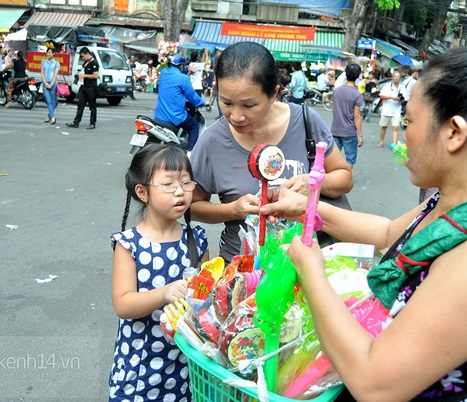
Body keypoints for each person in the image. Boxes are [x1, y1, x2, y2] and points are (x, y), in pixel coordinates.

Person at [260, 46, 467, 401]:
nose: (404, 135)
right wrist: (307, 209)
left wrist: (311, 269)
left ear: (454, 132)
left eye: (409, 122)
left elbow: (375, 383)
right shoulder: (456, 200)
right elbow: (390, 234)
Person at [189, 41, 352, 261]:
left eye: (249, 105)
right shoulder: (212, 141)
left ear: (274, 93)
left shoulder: (305, 122)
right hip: (244, 269)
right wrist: (233, 210)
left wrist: (313, 183)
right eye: (226, 102)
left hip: (306, 264)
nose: (236, 116)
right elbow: (193, 206)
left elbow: (344, 178)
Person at [108, 144, 209, 401]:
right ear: (142, 192)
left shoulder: (196, 239)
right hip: (141, 362)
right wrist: (164, 293)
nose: (180, 192)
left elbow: (205, 293)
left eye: (186, 183)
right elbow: (123, 304)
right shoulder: (129, 244)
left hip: (186, 362)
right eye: (168, 184)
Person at [154, 53, 206, 151]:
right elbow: (192, 96)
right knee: (194, 126)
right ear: (181, 65)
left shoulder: (164, 72)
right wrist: (202, 102)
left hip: (160, 115)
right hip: (174, 116)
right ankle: (191, 153)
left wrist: (187, 70)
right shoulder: (183, 78)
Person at [331, 63, 364, 167]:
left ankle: (331, 177)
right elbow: (356, 116)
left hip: (336, 129)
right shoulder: (357, 94)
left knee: (332, 156)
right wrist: (360, 135)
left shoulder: (337, 91)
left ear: (346, 74)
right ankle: (346, 179)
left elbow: (333, 109)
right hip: (349, 131)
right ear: (358, 76)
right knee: (350, 158)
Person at [66, 47, 99, 130]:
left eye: (83, 56)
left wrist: (84, 76)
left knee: (92, 106)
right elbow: (81, 70)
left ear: (88, 54)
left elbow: (95, 75)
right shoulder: (86, 63)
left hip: (91, 87)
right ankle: (76, 122)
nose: (82, 58)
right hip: (84, 86)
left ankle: (92, 123)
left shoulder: (94, 63)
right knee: (80, 105)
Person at [377, 70, 407, 147]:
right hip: (386, 110)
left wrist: (400, 99)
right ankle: (381, 142)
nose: (396, 78)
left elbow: (405, 98)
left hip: (396, 110)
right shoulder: (387, 86)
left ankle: (394, 144)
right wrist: (391, 97)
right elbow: (382, 96)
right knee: (384, 127)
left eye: (398, 77)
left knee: (395, 127)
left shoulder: (402, 88)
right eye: (395, 76)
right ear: (392, 77)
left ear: (400, 78)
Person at [41, 47, 60, 125]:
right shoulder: (43, 62)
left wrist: (51, 84)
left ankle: (49, 115)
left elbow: (55, 75)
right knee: (49, 101)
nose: (48, 54)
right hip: (45, 83)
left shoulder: (56, 63)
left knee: (54, 102)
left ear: (53, 54)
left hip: (53, 84)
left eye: (49, 53)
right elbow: (42, 73)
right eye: (47, 52)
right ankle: (52, 117)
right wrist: (45, 83)